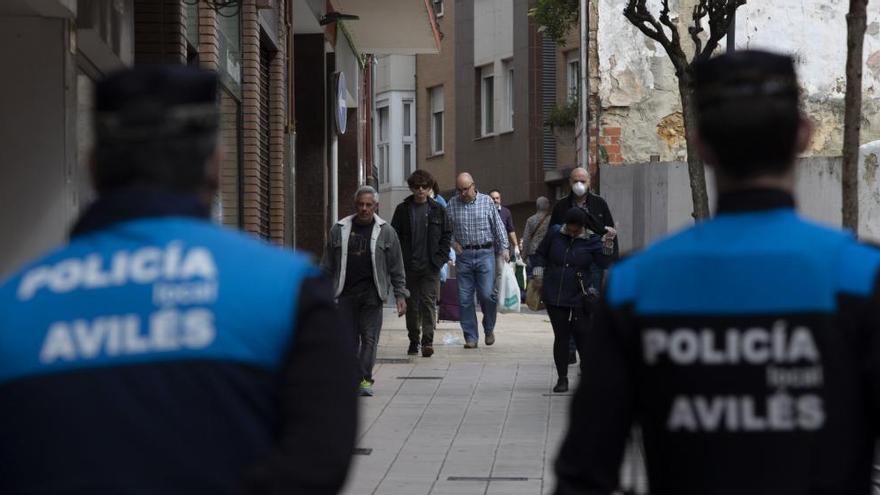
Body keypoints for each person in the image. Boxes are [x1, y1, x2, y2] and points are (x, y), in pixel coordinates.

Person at [0, 66, 358, 494]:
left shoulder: (13, 308)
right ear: (216, 163)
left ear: (93, 166)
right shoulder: (288, 291)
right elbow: (318, 464)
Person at [554, 50, 880, 495]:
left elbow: (585, 470)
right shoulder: (862, 276)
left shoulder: (637, 284)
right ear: (803, 136)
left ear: (700, 142)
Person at [321, 186, 408, 397]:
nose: (364, 209)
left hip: (372, 294)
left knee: (369, 339)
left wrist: (400, 294)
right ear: (355, 205)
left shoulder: (386, 231)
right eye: (361, 204)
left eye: (369, 205)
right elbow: (327, 265)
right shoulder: (339, 229)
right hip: (345, 293)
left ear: (375, 206)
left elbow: (396, 265)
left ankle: (364, 380)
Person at [532, 208, 611, 393]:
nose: (572, 233)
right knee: (561, 337)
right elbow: (540, 254)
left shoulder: (591, 240)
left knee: (583, 334)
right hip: (555, 293)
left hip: (580, 294)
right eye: (570, 229)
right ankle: (562, 378)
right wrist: (538, 274)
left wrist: (607, 244)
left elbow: (604, 263)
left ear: (583, 227)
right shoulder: (555, 233)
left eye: (576, 230)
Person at [391, 170, 453, 358]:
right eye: (416, 187)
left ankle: (427, 341)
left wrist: (440, 259)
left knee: (428, 303)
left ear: (429, 188)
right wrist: (398, 260)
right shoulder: (402, 210)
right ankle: (413, 339)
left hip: (430, 266)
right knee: (412, 305)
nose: (420, 190)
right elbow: (394, 236)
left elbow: (446, 235)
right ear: (411, 188)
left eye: (424, 187)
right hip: (409, 266)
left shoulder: (437, 209)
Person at [446, 173, 509, 348]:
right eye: (459, 190)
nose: (462, 193)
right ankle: (471, 337)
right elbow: (446, 230)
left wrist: (504, 248)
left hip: (485, 253)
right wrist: (453, 243)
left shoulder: (487, 202)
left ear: (473, 186)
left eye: (465, 189)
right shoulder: (452, 204)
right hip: (464, 256)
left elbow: (498, 226)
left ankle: (489, 328)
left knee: (487, 295)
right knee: (465, 299)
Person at [521, 196, 552, 279]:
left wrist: (523, 256)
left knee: (533, 278)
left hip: (533, 253)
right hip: (548, 252)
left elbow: (526, 239)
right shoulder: (552, 219)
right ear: (547, 206)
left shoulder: (530, 220)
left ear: (537, 206)